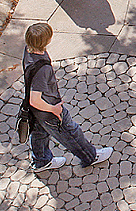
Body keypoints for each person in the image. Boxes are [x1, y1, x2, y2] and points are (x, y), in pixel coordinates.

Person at [22, 22, 113, 172]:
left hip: (36, 111)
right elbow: (35, 99)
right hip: (49, 109)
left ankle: (41, 161)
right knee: (71, 131)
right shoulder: (41, 69)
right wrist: (54, 109)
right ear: (46, 41)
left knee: (39, 133)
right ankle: (90, 156)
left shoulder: (28, 51)